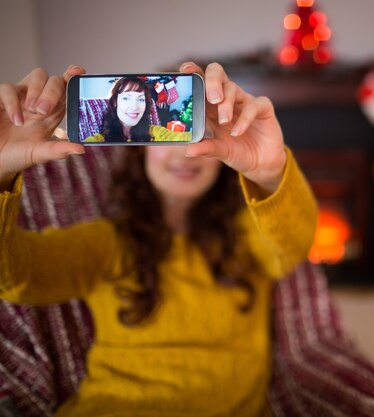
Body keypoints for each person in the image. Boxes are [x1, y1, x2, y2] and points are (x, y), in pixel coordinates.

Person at [0, 62, 318, 416]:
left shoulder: (249, 235)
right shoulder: (106, 242)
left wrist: (271, 171)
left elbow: (295, 243)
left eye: (195, 135)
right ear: (140, 145)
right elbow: (16, 278)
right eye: (167, 137)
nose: (182, 153)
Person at [84, 76, 191, 143]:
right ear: (115, 102)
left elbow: (178, 137)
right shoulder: (100, 140)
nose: (135, 106)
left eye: (140, 99)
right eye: (126, 98)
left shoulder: (154, 132)